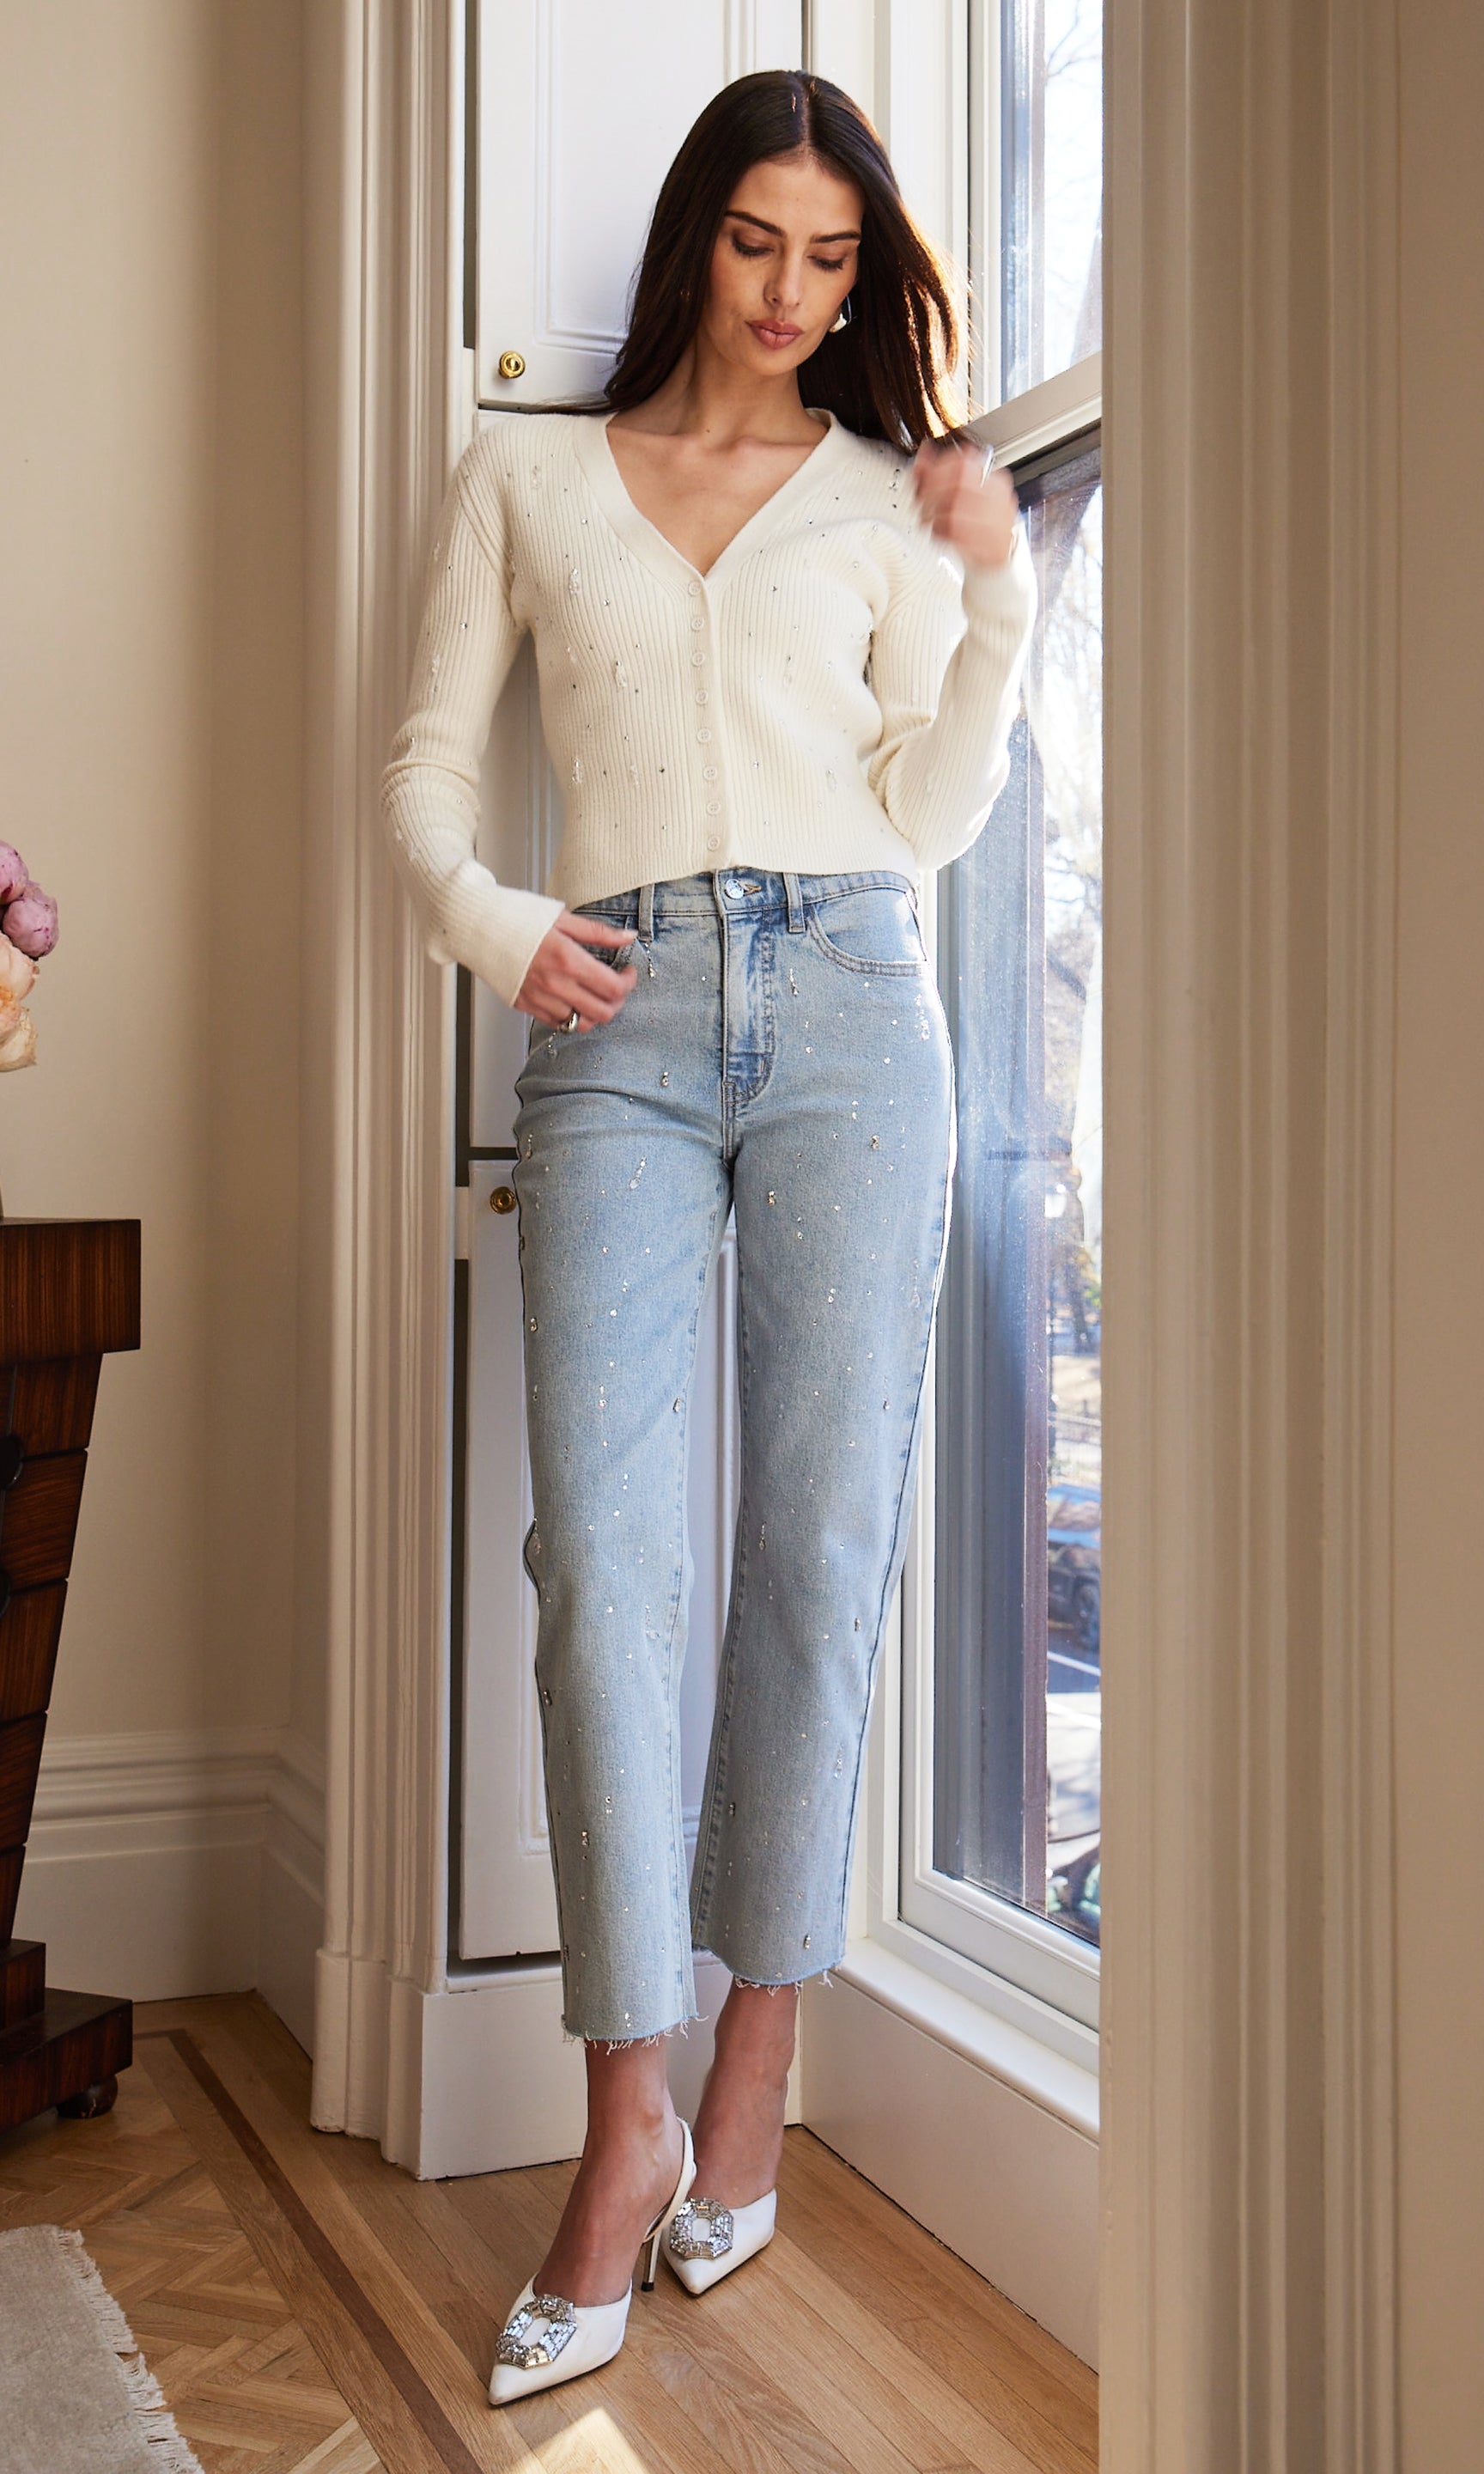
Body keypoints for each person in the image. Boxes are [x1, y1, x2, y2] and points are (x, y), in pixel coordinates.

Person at [379, 67, 1037, 2407]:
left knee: (819, 1547)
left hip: (862, 1002)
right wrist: (490, 922)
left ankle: (752, 2082)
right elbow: (430, 766)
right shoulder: (532, 470)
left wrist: (999, 596)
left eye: (834, 258)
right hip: (620, 1016)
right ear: (696, 241)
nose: (791, 294)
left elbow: (936, 806)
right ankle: (625, 2115)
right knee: (601, 1566)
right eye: (759, 243)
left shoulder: (881, 500)